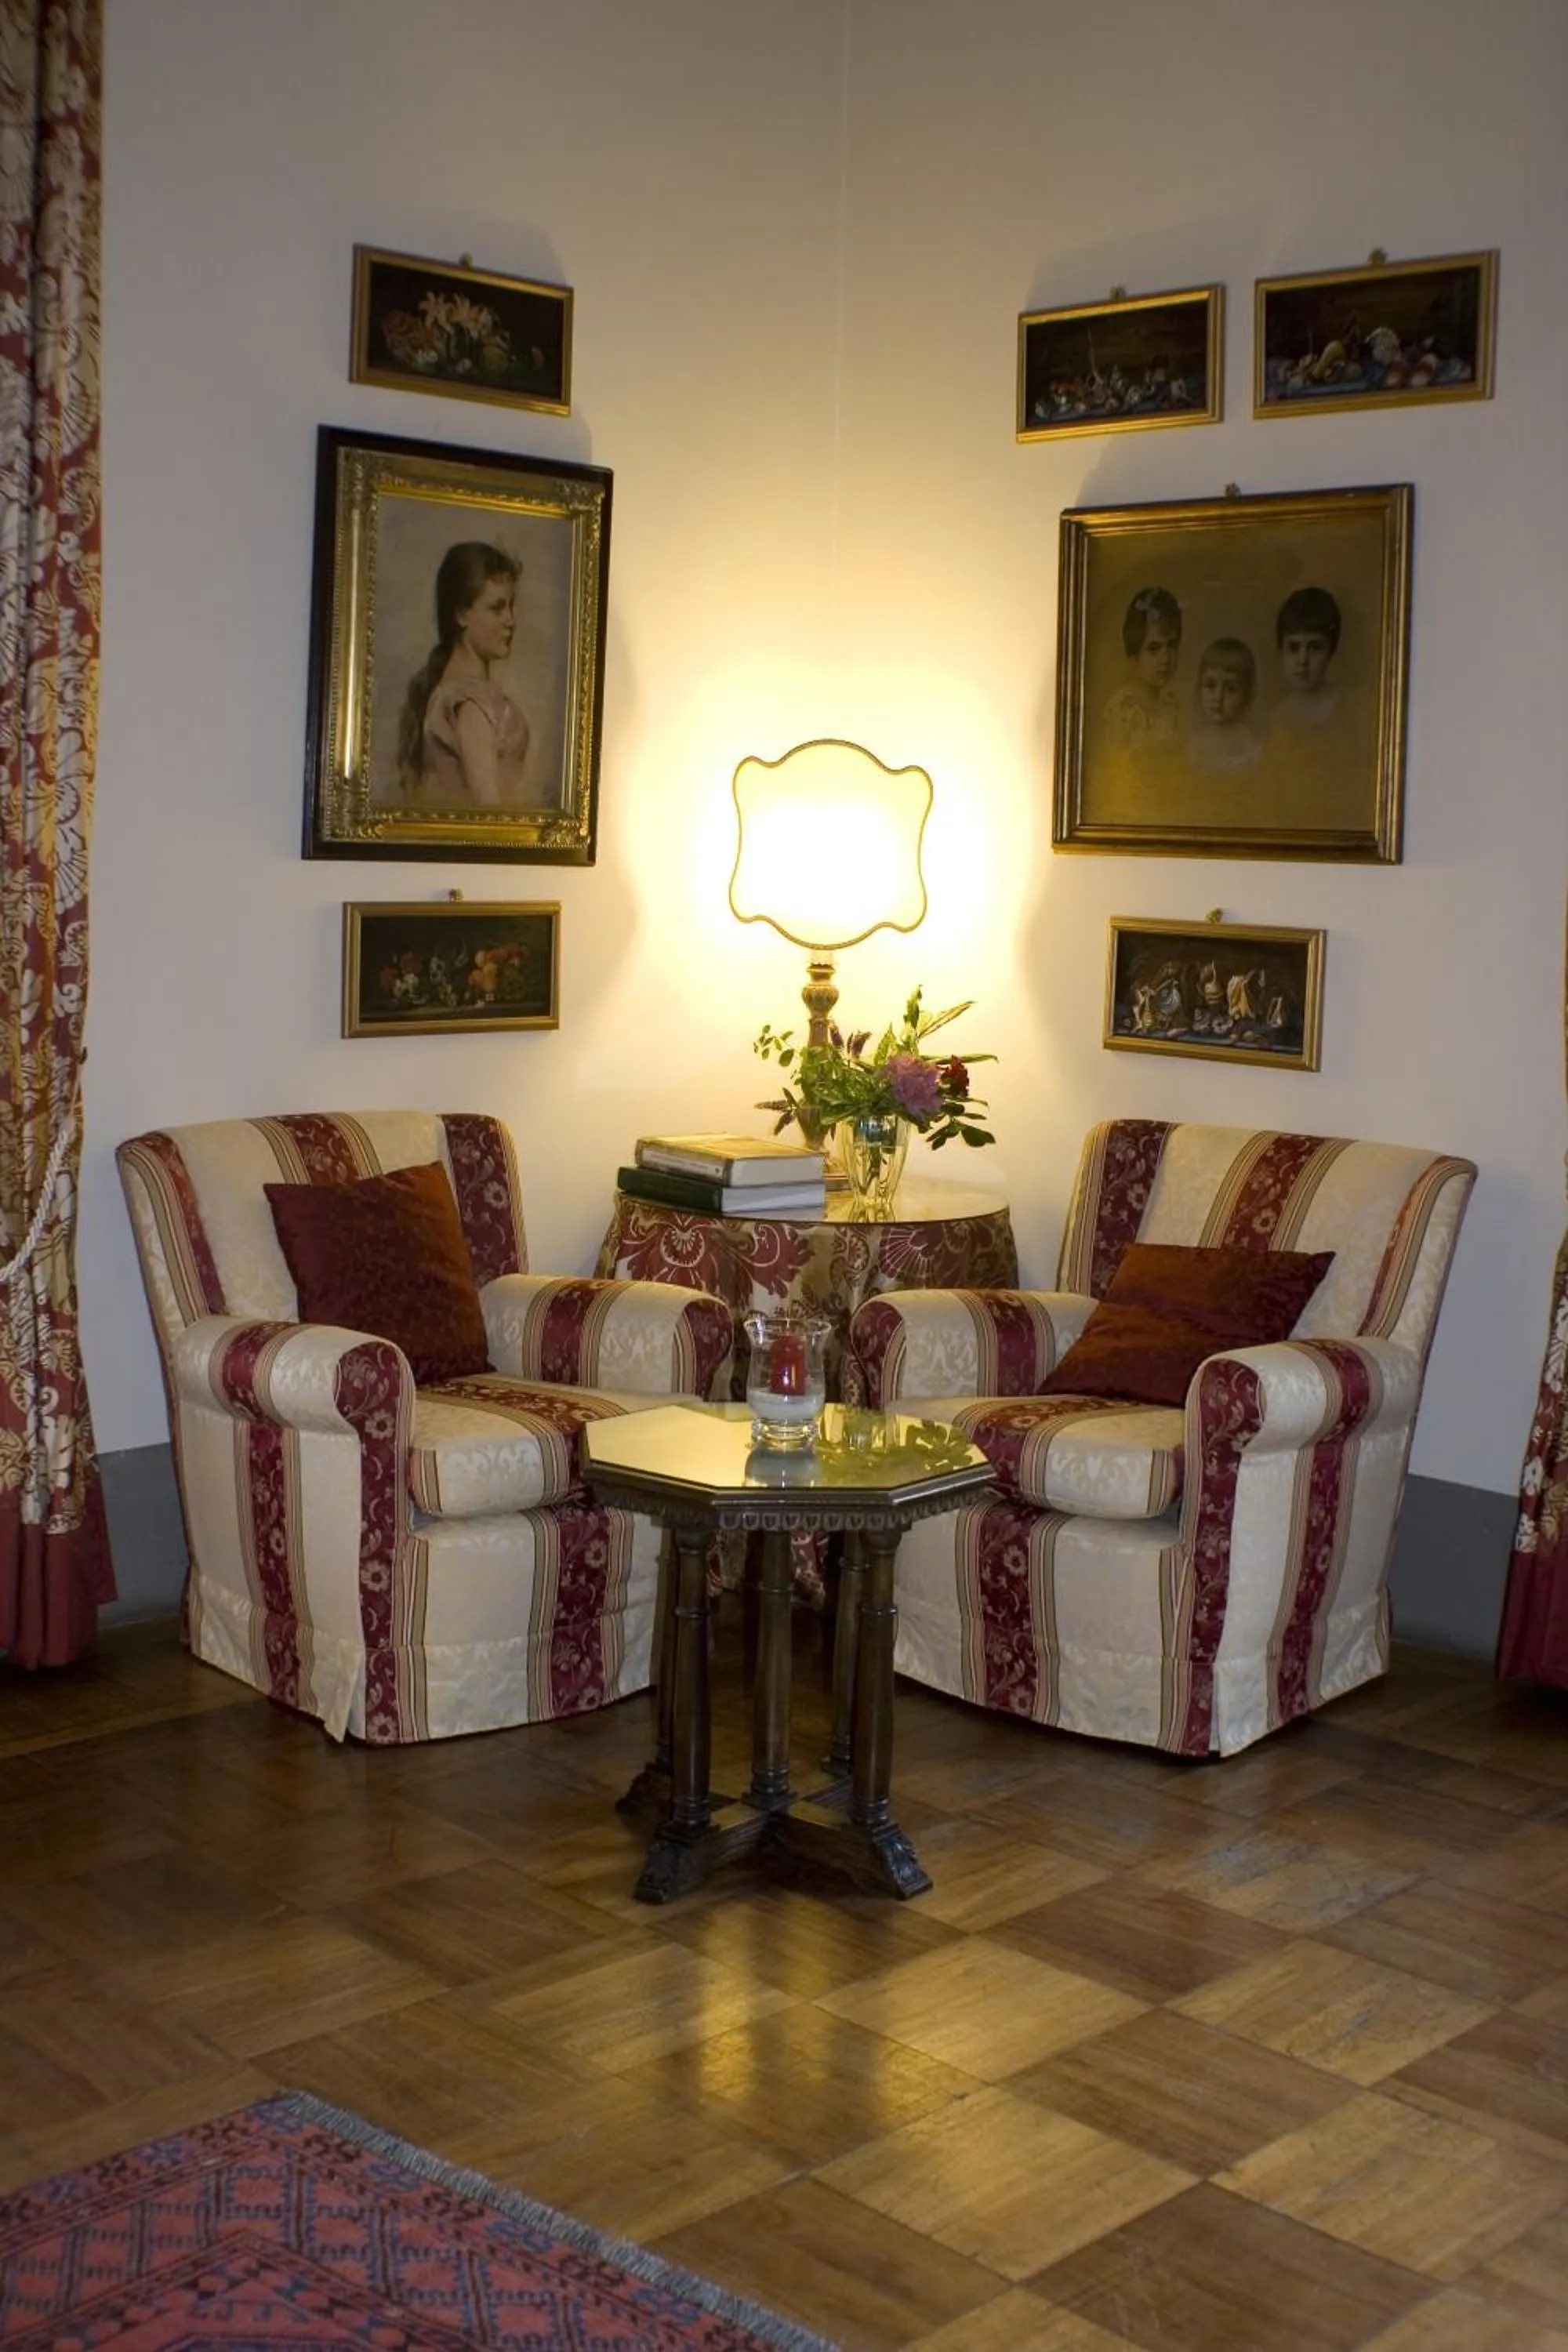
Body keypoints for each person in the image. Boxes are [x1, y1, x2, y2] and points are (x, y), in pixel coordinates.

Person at [396, 542, 531, 804]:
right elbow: (489, 813)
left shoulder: (449, 691)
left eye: (511, 607)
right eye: (497, 608)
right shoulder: (470, 702)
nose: (510, 620)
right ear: (461, 615)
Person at [1103, 586, 1182, 752]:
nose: (1166, 659)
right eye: (1154, 649)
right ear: (1135, 654)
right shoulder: (1123, 711)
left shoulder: (1173, 706)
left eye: (1172, 645)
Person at [1187, 637, 1261, 771]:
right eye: (1210, 686)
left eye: (1230, 689)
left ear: (1246, 695)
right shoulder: (1198, 745)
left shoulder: (1249, 744)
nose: (1218, 697)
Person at [1273, 585, 1342, 731]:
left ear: (1331, 651)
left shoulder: (1342, 710)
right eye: (1294, 648)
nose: (1303, 660)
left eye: (1315, 648)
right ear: (1281, 649)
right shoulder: (1282, 714)